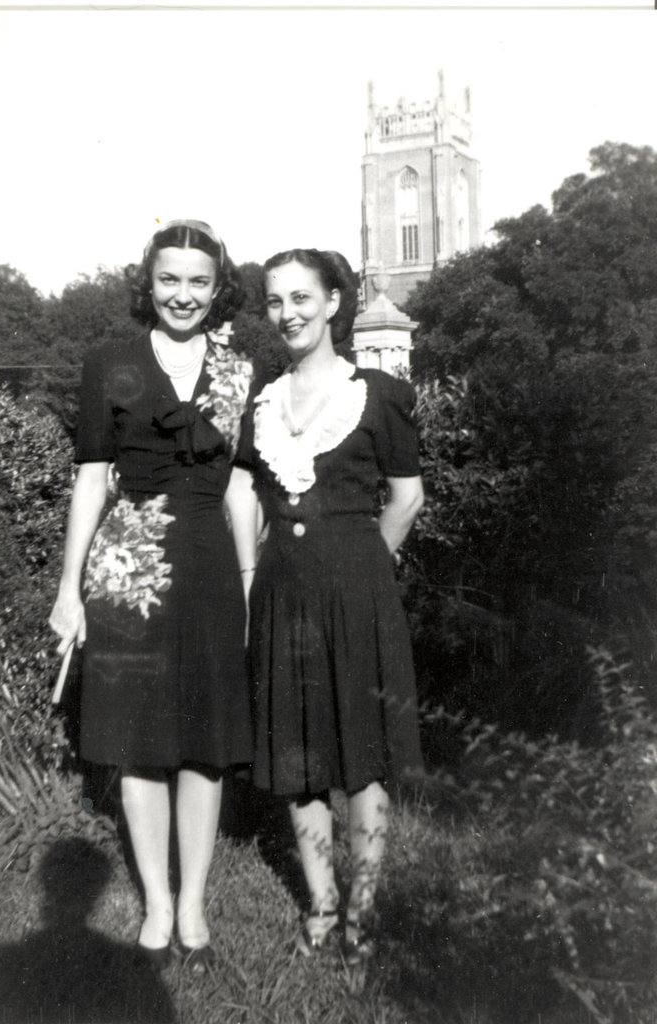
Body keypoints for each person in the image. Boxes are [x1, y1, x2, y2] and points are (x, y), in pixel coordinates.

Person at [49, 219, 254, 972]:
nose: (184, 295)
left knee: (202, 747)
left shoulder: (240, 368)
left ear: (217, 287)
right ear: (150, 282)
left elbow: (240, 486)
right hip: (129, 574)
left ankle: (194, 905)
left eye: (200, 281)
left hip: (207, 573)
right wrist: (69, 590)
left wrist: (248, 581)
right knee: (140, 745)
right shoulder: (112, 364)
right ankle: (157, 909)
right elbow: (91, 480)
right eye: (170, 279)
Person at [226, 248, 425, 969]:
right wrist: (251, 569)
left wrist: (369, 561)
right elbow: (245, 489)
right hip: (282, 586)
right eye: (275, 302)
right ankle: (321, 902)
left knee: (363, 754)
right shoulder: (264, 402)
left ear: (335, 302)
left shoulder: (376, 394)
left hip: (359, 584)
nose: (289, 314)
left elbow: (406, 496)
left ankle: (362, 912)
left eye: (302, 298)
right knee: (299, 750)